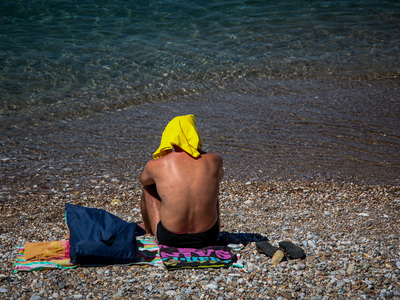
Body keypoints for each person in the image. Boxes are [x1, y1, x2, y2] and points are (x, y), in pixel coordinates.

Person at [139, 114, 224, 248]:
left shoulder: (157, 164)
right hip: (208, 236)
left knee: (149, 189)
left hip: (170, 238)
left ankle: (150, 231)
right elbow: (218, 178)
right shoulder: (215, 160)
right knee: (211, 187)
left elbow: (143, 181)